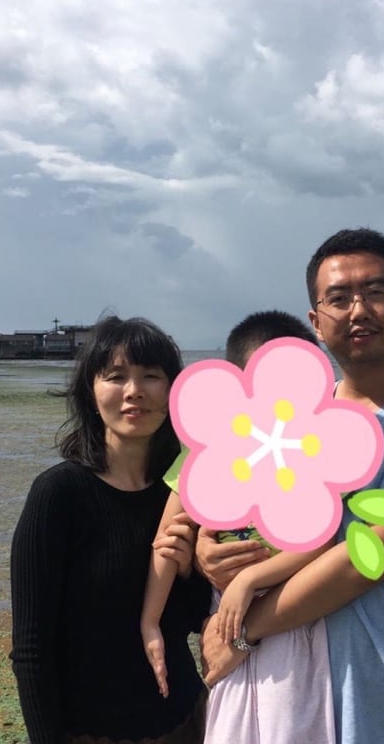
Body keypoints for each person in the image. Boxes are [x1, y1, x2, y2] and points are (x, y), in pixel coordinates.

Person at [197, 229, 384, 744]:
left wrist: (240, 631)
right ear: (315, 322)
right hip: (284, 689)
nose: (359, 310)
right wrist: (207, 548)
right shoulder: (289, 417)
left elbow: (364, 558)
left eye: (375, 292)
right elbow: (234, 503)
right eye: (338, 298)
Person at [10, 315, 211, 744]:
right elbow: (31, 649)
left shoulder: (187, 491)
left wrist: (190, 569)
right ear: (91, 389)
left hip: (185, 721)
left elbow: (194, 621)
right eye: (116, 376)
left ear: (173, 392)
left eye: (150, 376)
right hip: (91, 730)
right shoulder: (58, 495)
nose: (134, 391)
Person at [141, 310, 337, 743]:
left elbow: (324, 540)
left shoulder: (315, 449)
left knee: (295, 725)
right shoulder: (206, 452)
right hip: (223, 618)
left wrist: (251, 578)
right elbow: (166, 540)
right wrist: (150, 621)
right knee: (229, 727)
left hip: (294, 613)